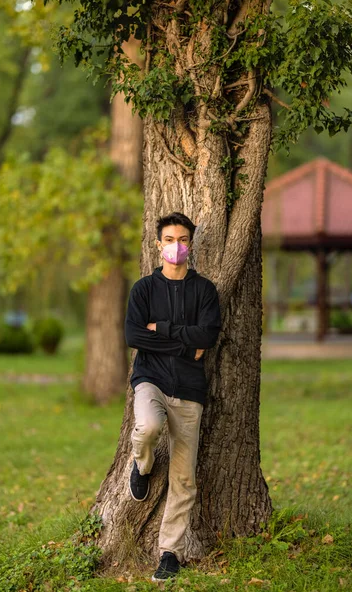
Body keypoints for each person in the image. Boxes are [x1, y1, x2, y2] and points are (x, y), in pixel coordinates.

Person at [124, 211, 221, 582]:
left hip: (190, 390)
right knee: (147, 428)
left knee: (184, 478)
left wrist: (161, 329)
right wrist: (183, 343)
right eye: (169, 240)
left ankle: (170, 552)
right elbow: (134, 336)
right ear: (158, 244)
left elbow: (207, 337)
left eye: (182, 240)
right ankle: (142, 466)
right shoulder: (143, 290)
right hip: (151, 380)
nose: (176, 247)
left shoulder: (205, 291)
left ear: (191, 245)